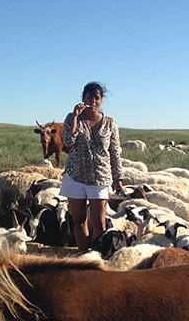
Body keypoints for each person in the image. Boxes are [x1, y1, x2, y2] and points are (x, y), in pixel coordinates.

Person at [60, 81, 123, 251]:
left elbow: (114, 151)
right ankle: (83, 257)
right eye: (89, 97)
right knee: (79, 221)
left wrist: (118, 178)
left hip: (100, 178)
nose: (93, 101)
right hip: (75, 177)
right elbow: (67, 141)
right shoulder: (73, 118)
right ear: (83, 98)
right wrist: (74, 117)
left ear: (101, 100)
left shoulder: (110, 122)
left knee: (100, 223)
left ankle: (97, 257)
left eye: (97, 98)